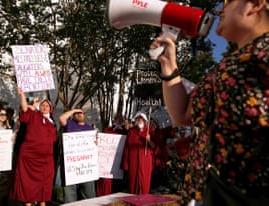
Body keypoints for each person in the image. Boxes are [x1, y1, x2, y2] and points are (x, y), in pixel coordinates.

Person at [150, 0, 269, 205]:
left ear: (256, 4)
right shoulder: (225, 67)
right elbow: (183, 115)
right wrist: (169, 64)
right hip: (204, 192)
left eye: (229, 2)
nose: (221, 9)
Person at [10, 87, 57, 206]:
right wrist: (22, 94)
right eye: (43, 105)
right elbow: (25, 107)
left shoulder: (52, 124)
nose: (44, 107)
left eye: (47, 106)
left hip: (46, 160)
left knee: (44, 185)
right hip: (30, 158)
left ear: (51, 109)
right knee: (28, 185)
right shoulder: (33, 115)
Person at [59, 108, 96, 203]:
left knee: (89, 195)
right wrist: (74, 110)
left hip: (86, 167)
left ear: (84, 115)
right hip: (70, 167)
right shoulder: (69, 124)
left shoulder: (90, 129)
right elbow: (61, 118)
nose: (79, 115)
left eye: (81, 113)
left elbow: (94, 145)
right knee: (69, 196)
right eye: (76, 113)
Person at [121, 111, 155, 194]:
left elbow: (154, 147)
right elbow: (127, 148)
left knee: (144, 183)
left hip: (145, 162)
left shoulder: (149, 131)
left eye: (142, 118)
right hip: (134, 162)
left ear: (145, 120)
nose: (140, 120)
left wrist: (149, 140)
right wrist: (125, 164)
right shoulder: (131, 132)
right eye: (138, 118)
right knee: (133, 183)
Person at [96, 113, 127, 197]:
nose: (119, 120)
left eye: (121, 119)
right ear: (114, 120)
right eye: (117, 118)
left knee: (116, 186)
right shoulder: (107, 130)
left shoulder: (126, 132)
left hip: (118, 165)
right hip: (106, 164)